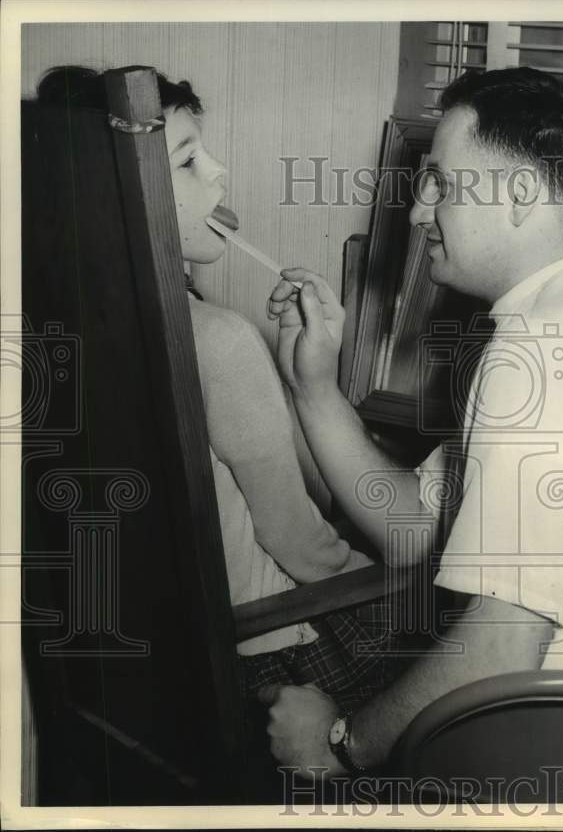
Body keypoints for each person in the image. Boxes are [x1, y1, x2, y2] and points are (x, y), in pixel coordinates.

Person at [262, 66, 563, 779]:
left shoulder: (539, 353)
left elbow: (499, 650)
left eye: (442, 184)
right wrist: (313, 385)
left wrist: (338, 742)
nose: (418, 212)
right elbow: (411, 529)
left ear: (520, 194)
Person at [35, 66, 395, 710]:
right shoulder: (219, 340)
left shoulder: (58, 329)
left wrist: (291, 379)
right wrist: (397, 578)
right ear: (122, 188)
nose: (220, 171)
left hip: (156, 667)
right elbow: (307, 550)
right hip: (277, 651)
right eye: (189, 160)